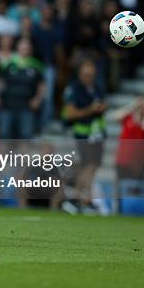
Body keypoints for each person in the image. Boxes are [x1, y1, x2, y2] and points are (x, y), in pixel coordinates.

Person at [62, 60, 107, 214]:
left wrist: (101, 108)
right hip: (81, 132)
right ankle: (77, 198)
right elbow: (70, 113)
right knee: (84, 166)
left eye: (92, 75)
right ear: (80, 73)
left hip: (96, 133)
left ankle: (86, 199)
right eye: (87, 74)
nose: (89, 77)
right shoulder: (74, 89)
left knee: (93, 166)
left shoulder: (97, 88)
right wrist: (91, 110)